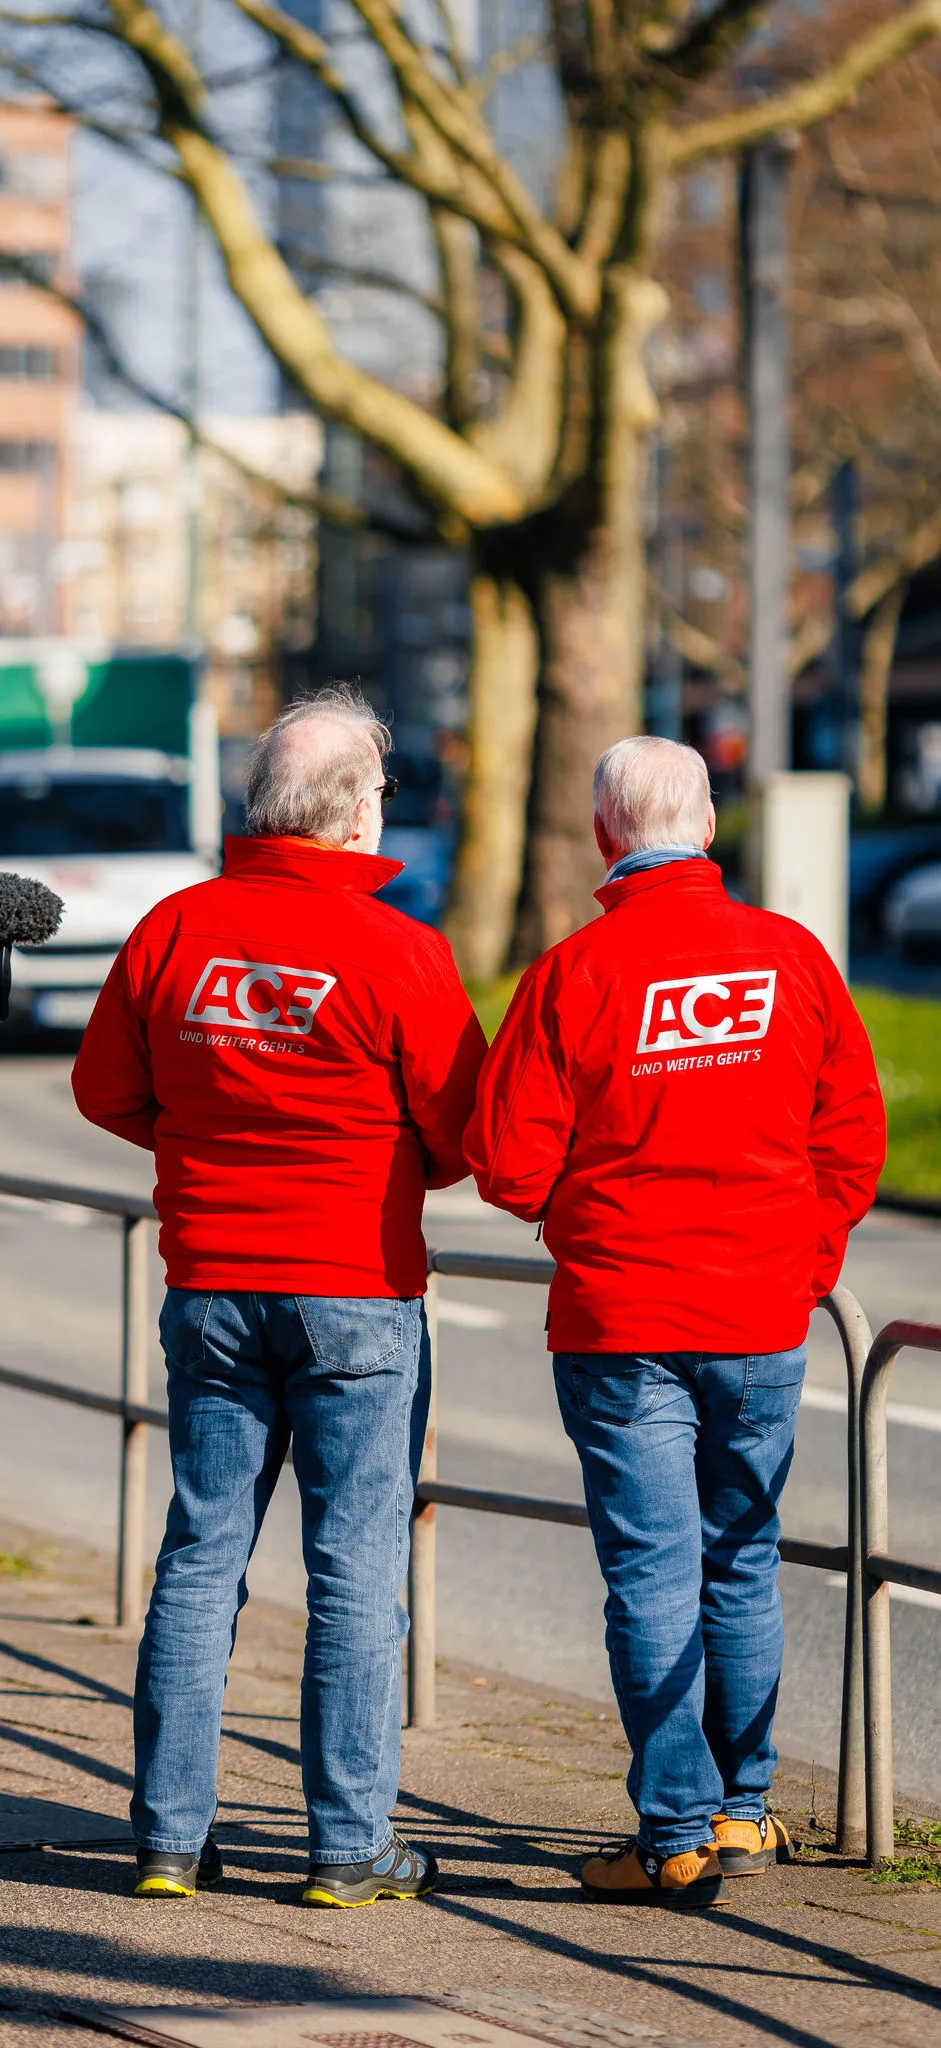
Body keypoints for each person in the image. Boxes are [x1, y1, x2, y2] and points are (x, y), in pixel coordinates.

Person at [73, 688, 486, 1907]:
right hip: (356, 1286)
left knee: (200, 1555)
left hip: (210, 1279)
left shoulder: (173, 929)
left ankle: (167, 1838)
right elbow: (460, 1134)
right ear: (357, 814)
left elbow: (105, 1088)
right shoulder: (403, 949)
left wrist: (199, 1139)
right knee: (356, 1570)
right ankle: (348, 1846)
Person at [466, 737, 886, 1908]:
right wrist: (804, 1253)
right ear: (706, 823)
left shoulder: (572, 973)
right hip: (760, 1311)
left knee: (651, 1572)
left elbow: (505, 1161)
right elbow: (849, 1129)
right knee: (741, 1555)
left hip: (621, 1318)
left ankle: (674, 1828)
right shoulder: (791, 958)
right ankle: (746, 1808)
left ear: (607, 835)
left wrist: (575, 1217)